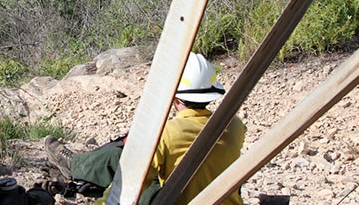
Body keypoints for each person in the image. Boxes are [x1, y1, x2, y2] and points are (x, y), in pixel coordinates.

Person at [45, 52, 246, 205]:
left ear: (174, 98)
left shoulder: (166, 134)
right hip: (222, 198)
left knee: (123, 158)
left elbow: (132, 184)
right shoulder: (236, 126)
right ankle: (80, 165)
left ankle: (77, 165)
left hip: (179, 198)